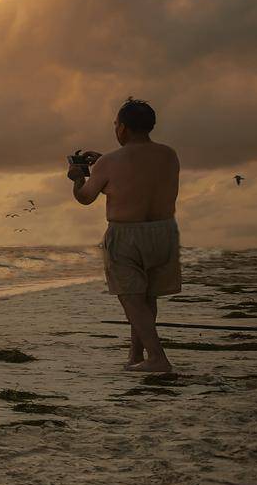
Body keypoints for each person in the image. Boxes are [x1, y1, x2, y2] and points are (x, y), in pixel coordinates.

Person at [69, 97, 181, 373]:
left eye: (116, 124)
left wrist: (78, 178)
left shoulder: (110, 161)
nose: (115, 129)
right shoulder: (169, 154)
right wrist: (106, 161)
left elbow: (85, 198)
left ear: (124, 128)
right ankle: (136, 355)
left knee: (131, 298)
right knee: (147, 297)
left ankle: (157, 357)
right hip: (164, 231)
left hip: (126, 233)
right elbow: (139, 169)